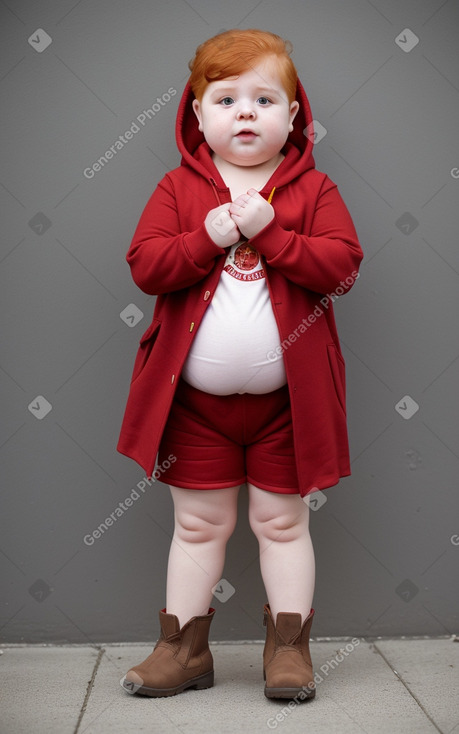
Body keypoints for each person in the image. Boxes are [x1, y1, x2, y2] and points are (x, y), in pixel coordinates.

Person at [118, 28, 363, 700]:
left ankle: (288, 652)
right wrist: (210, 235)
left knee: (282, 523)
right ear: (197, 116)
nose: (246, 111)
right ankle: (183, 651)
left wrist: (271, 232)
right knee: (197, 524)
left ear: (293, 117)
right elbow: (146, 266)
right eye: (226, 98)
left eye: (264, 98)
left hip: (289, 408)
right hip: (194, 409)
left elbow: (341, 268)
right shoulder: (176, 188)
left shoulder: (314, 190)